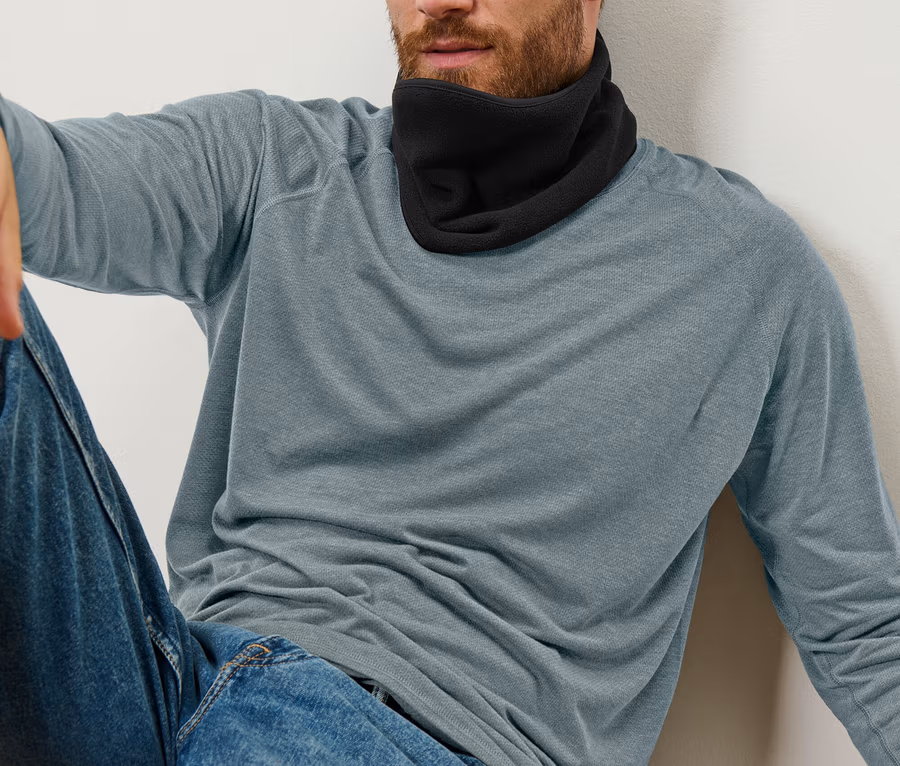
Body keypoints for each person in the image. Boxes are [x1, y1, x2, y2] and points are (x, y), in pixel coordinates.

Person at [1, 0, 898, 764]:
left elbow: (862, 623)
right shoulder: (277, 163)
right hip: (161, 683)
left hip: (423, 737)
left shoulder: (744, 271)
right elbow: (48, 179)